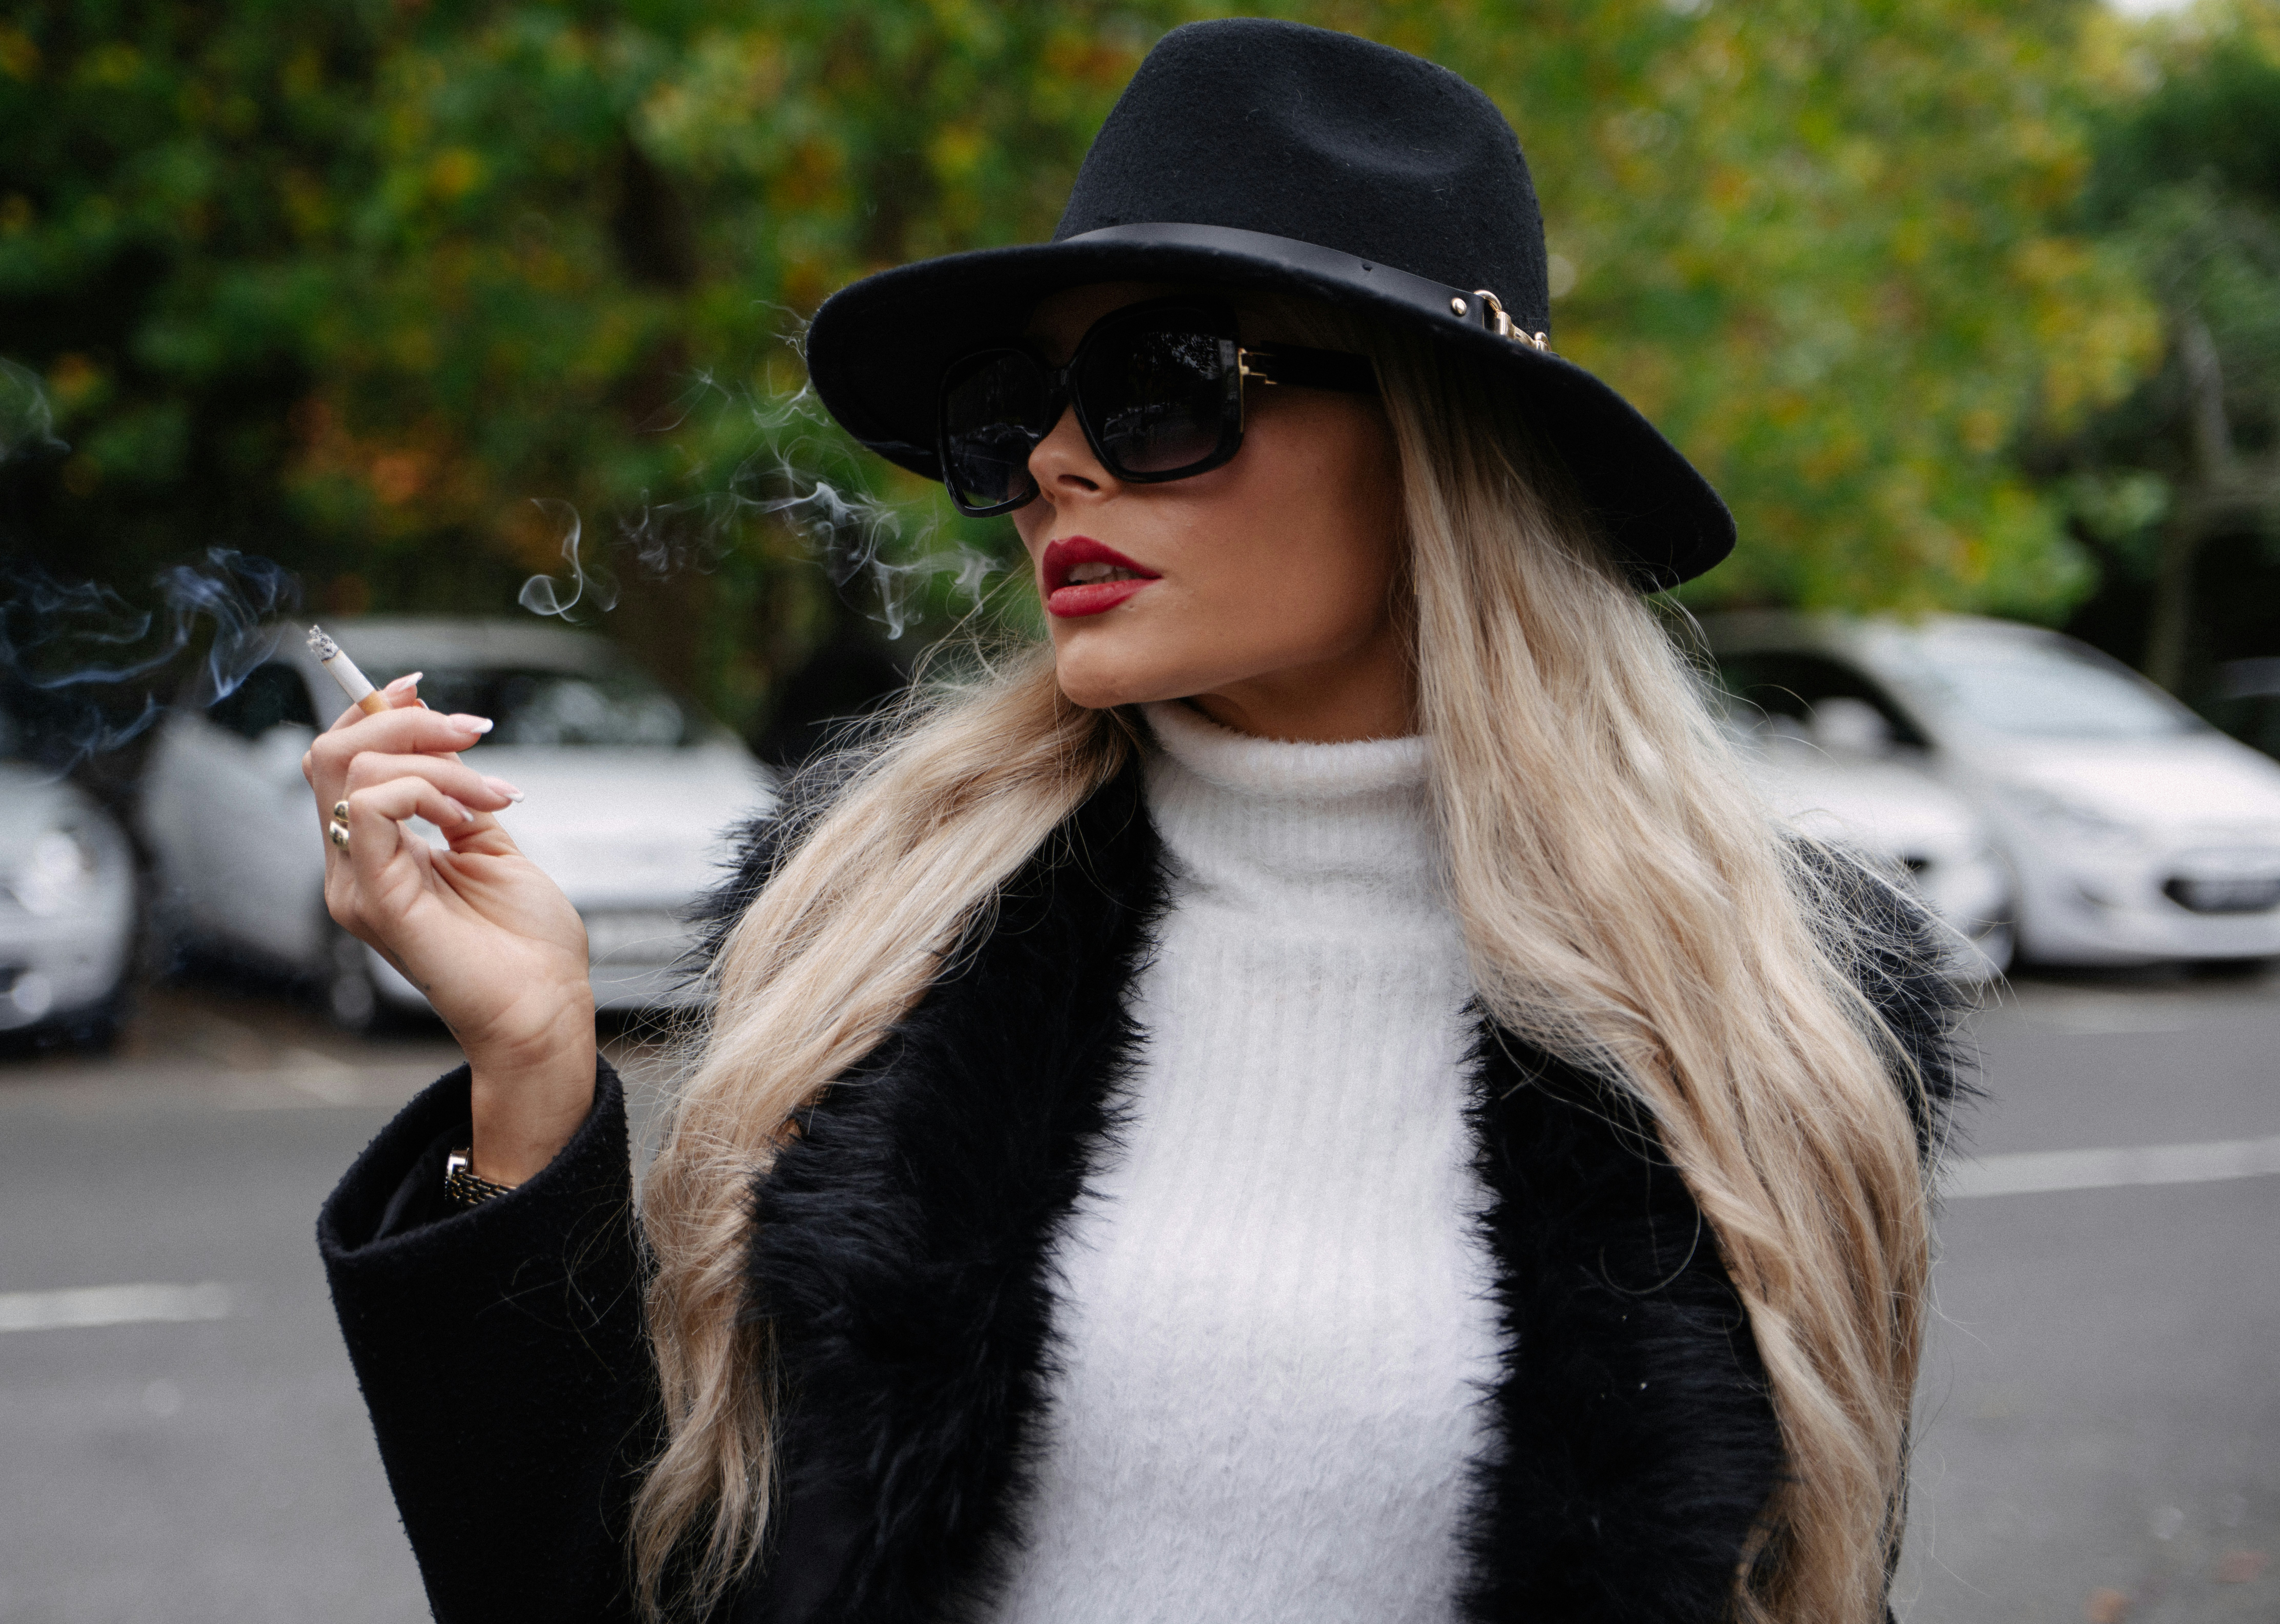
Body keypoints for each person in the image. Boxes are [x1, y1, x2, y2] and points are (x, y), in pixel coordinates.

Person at [310, 19, 1964, 1624]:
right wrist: (530, 1067)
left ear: (1435, 447)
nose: (1050, 463)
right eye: (1017, 407)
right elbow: (610, 1588)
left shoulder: (1769, 997)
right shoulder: (879, 914)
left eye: (1156, 386)